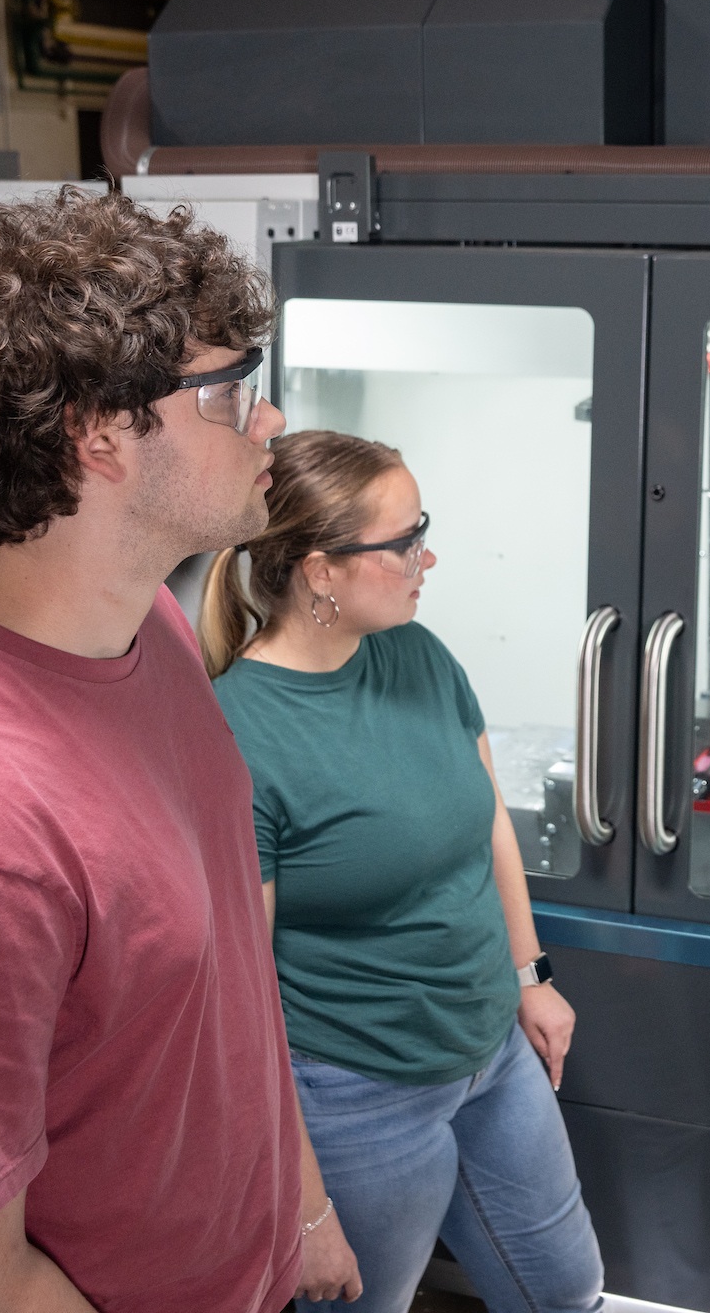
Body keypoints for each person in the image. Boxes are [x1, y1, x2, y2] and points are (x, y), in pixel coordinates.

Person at [0, 191, 364, 1313]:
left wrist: (298, 1211)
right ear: (98, 434)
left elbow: (224, 986)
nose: (267, 420)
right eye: (224, 391)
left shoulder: (141, 619)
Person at [202, 429, 604, 1313]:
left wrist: (529, 975)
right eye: (403, 541)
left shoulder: (418, 656)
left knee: (566, 1290)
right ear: (320, 571)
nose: (428, 556)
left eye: (423, 528)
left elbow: (487, 819)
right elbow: (241, 994)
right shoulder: (239, 735)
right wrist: (306, 1213)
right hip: (353, 1091)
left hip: (492, 1052)